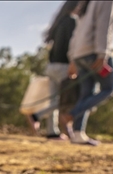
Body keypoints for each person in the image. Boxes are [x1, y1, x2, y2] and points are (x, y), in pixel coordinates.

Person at [63, 0, 113, 146]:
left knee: (86, 93)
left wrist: (72, 58)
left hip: (79, 54)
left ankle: (77, 134)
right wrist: (103, 53)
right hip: (94, 52)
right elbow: (104, 25)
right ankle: (74, 112)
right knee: (110, 87)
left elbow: (76, 34)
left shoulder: (87, 3)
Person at [29, 0, 82, 141]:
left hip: (51, 66)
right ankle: (36, 115)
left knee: (52, 99)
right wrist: (74, 63)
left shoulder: (58, 22)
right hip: (64, 66)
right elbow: (72, 46)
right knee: (62, 102)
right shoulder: (72, 21)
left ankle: (52, 132)